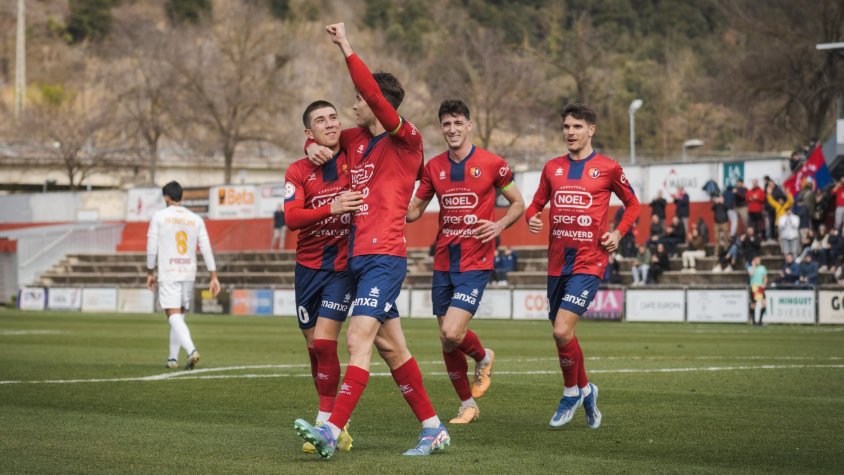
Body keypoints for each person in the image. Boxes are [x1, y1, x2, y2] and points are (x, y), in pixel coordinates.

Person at [294, 23, 449, 458]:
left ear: (377, 104)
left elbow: (372, 93)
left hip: (384, 259)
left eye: (359, 99)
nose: (353, 105)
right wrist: (310, 147)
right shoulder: (355, 141)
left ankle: (331, 429)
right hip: (356, 261)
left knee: (357, 338)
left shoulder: (407, 140)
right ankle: (433, 427)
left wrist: (346, 46)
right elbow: (318, 135)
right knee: (390, 347)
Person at [406, 99, 525, 423]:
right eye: (447, 124)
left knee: (453, 332)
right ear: (441, 128)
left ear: (469, 126)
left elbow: (518, 203)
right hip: (444, 260)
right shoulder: (434, 168)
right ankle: (467, 405)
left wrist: (499, 224)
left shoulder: (493, 164)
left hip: (475, 262)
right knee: (446, 340)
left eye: (458, 123)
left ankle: (483, 357)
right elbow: (415, 209)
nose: (452, 129)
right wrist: (392, 205)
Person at [526, 103, 640, 429]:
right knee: (565, 334)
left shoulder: (608, 167)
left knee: (561, 329)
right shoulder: (552, 168)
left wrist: (618, 233)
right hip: (556, 263)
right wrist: (531, 216)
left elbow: (633, 204)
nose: (570, 133)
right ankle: (588, 390)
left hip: (589, 261)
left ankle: (570, 392)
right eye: (566, 127)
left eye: (577, 127)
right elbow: (536, 203)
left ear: (591, 130)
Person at [284, 100, 362, 454]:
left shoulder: (352, 155)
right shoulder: (298, 170)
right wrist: (330, 207)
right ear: (308, 133)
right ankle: (335, 423)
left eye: (333, 117)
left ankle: (327, 421)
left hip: (342, 269)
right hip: (307, 268)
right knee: (313, 346)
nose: (330, 124)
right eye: (320, 120)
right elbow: (292, 217)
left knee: (326, 343)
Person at [146, 181, 221, 370]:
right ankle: (172, 358)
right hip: (188, 271)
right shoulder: (196, 219)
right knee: (179, 314)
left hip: (169, 270)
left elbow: (151, 246)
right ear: (182, 197)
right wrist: (214, 276)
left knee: (171, 313)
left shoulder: (159, 216)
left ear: (166, 197)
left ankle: (191, 350)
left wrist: (150, 271)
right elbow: (205, 247)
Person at [748, 255, 767, 326]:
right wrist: (753, 266)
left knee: (764, 304)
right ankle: (753, 322)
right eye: (756, 260)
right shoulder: (750, 268)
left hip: (760, 288)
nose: (758, 261)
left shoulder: (762, 268)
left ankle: (760, 321)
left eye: (759, 259)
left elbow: (765, 277)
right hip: (754, 287)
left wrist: (764, 284)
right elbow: (751, 274)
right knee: (753, 304)